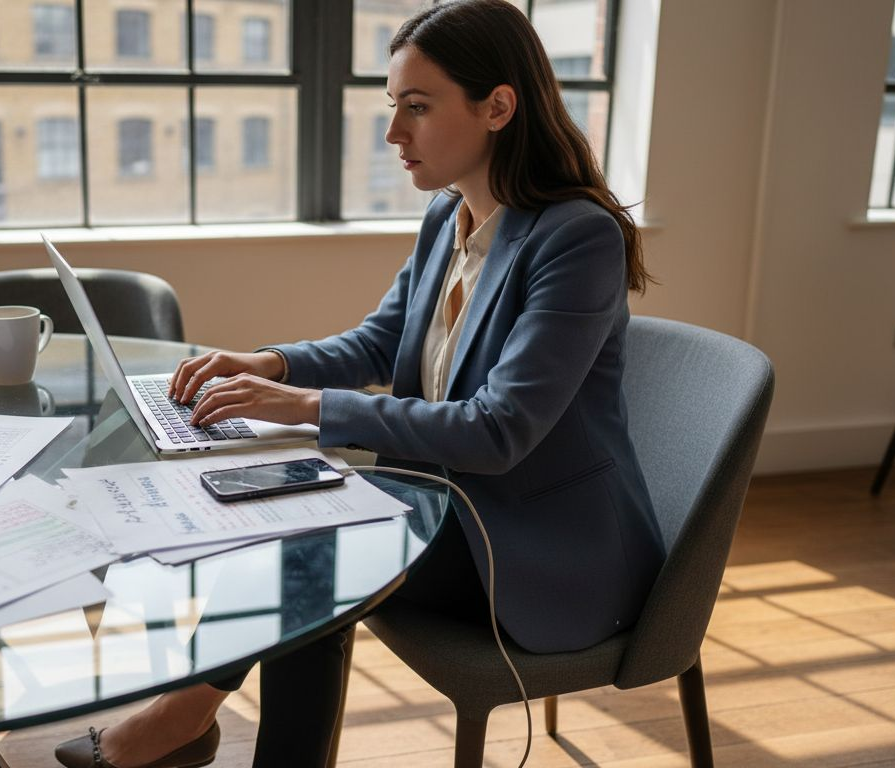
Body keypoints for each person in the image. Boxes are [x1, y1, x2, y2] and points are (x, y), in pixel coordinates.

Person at [54, 1, 666, 766]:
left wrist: (307, 409)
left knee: (311, 557)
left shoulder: (578, 237)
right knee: (288, 531)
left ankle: (178, 725)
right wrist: (269, 365)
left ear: (498, 107)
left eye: (417, 107)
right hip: (448, 510)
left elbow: (498, 430)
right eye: (392, 107)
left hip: (540, 551)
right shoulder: (449, 218)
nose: (393, 134)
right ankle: (190, 727)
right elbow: (384, 341)